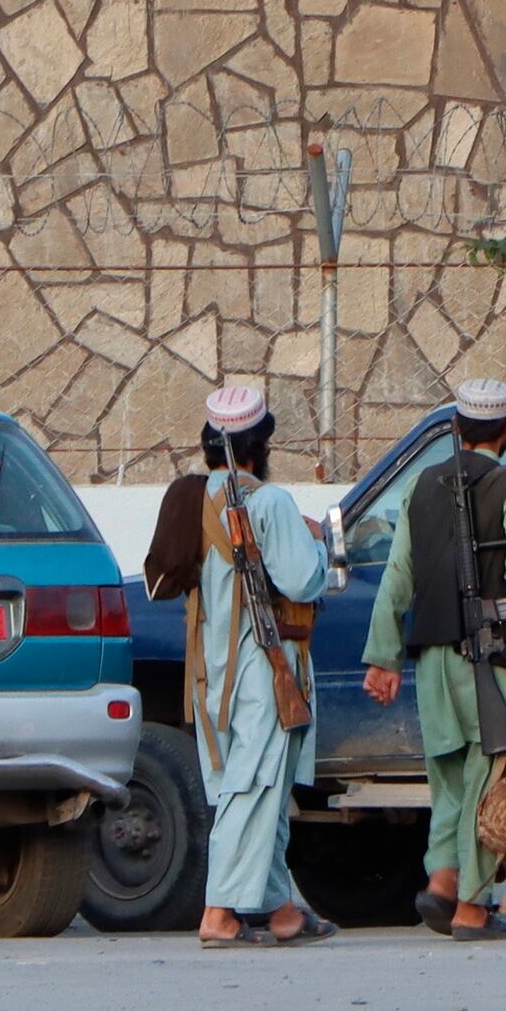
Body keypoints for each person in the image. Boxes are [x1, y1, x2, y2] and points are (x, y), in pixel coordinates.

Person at [362, 378, 506, 941]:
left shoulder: (421, 485)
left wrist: (383, 656)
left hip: (431, 664)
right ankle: (472, 907)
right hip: (492, 660)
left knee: (447, 778)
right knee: (486, 776)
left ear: (454, 428)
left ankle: (444, 881)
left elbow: (397, 576)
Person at [180, 387, 338, 948]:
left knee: (255, 789)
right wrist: (316, 542)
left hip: (210, 672)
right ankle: (220, 913)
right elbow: (303, 581)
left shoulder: (193, 501)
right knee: (253, 787)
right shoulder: (269, 503)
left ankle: (282, 913)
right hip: (262, 666)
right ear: (259, 443)